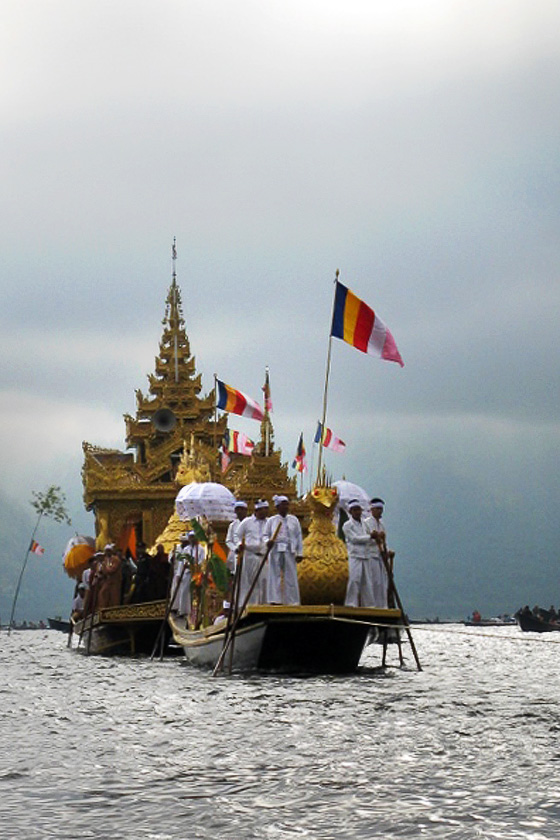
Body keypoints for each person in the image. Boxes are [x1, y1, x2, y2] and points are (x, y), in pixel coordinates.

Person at [264, 496, 302, 605]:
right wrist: (268, 541)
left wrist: (300, 552)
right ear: (277, 507)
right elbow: (265, 535)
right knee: (274, 574)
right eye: (283, 504)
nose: (286, 506)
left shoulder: (294, 520)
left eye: (287, 504)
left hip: (289, 549)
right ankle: (275, 600)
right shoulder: (271, 520)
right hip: (275, 548)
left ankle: (292, 601)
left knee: (291, 574)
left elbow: (298, 536)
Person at [343, 499, 377, 608]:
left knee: (367, 582)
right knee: (354, 579)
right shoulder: (347, 525)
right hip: (355, 556)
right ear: (350, 511)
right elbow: (354, 539)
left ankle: (369, 605)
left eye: (359, 510)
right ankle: (351, 603)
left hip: (365, 555)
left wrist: (375, 537)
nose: (358, 512)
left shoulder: (365, 524)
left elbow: (371, 540)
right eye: (355, 510)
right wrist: (370, 537)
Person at [236, 499, 270, 605]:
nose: (265, 512)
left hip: (265, 557)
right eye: (263, 510)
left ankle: (263, 605)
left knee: (264, 582)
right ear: (257, 511)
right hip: (250, 555)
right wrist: (239, 545)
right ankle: (250, 606)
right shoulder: (247, 522)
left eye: (266, 510)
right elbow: (237, 536)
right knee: (251, 583)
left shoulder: (269, 522)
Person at [363, 497, 390, 608]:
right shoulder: (366, 523)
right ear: (372, 510)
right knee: (374, 582)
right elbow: (364, 540)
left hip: (380, 557)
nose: (380, 511)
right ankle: (372, 606)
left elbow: (385, 541)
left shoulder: (382, 525)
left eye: (381, 509)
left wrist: (387, 551)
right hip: (371, 556)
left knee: (382, 584)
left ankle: (382, 606)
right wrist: (374, 538)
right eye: (377, 509)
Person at [169, 534, 192, 618]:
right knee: (175, 589)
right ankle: (174, 606)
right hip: (176, 572)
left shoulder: (189, 549)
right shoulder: (177, 548)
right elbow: (171, 558)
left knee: (184, 591)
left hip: (185, 572)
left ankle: (183, 609)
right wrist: (172, 557)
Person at [96, 544, 123, 609]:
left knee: (114, 598)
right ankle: (102, 609)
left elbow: (111, 570)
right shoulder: (105, 560)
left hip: (114, 582)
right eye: (106, 551)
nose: (107, 552)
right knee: (102, 594)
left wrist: (104, 568)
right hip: (107, 581)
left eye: (109, 551)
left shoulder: (116, 559)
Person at [225, 501, 248, 574]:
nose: (239, 512)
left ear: (246, 510)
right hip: (237, 553)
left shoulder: (250, 522)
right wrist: (235, 548)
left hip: (249, 553)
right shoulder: (233, 525)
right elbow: (228, 541)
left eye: (242, 509)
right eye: (237, 509)